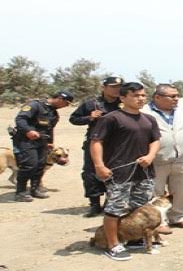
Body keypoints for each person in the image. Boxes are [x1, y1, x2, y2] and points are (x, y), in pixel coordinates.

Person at [90, 82, 160, 261]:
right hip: (119, 173)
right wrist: (99, 166)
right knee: (115, 209)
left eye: (143, 95)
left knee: (138, 208)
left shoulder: (149, 119)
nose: (141, 99)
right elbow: (97, 142)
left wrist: (150, 156)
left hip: (143, 173)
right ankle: (113, 245)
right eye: (135, 95)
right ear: (122, 98)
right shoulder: (112, 118)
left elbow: (155, 140)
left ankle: (134, 238)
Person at [142, 84, 183, 232]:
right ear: (157, 97)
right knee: (155, 192)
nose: (176, 99)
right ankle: (159, 222)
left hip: (182, 159)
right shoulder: (144, 112)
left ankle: (179, 216)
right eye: (172, 96)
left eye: (177, 95)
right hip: (157, 160)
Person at [69, 76, 122, 216]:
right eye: (113, 87)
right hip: (95, 142)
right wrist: (89, 117)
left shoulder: (123, 102)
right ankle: (94, 204)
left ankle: (110, 202)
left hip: (118, 144)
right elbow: (73, 119)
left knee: (116, 173)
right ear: (103, 88)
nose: (117, 90)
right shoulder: (91, 103)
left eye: (119, 87)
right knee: (91, 174)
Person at [12, 90, 73, 202]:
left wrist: (50, 142)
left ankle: (35, 189)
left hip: (42, 142)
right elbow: (20, 119)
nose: (66, 106)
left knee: (40, 165)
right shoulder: (35, 105)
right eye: (66, 103)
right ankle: (20, 192)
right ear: (60, 99)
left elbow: (49, 129)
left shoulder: (54, 113)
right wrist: (28, 131)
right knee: (29, 165)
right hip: (25, 140)